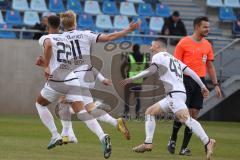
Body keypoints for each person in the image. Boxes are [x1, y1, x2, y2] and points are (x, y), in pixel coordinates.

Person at [121, 38, 216, 160]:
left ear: (158, 45)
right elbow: (192, 72)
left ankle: (207, 141)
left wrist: (133, 78)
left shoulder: (158, 56)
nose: (150, 48)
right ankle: (148, 143)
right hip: (179, 93)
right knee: (150, 112)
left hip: (174, 94)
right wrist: (203, 87)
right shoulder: (175, 59)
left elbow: (151, 70)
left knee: (185, 119)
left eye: (152, 45)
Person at [35, 15, 112, 159]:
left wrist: (46, 65)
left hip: (58, 80)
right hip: (72, 78)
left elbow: (49, 46)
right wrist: (46, 63)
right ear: (60, 25)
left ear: (47, 25)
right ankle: (103, 136)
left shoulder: (46, 38)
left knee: (40, 104)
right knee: (82, 112)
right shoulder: (66, 39)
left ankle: (55, 135)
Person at [57, 10, 141, 141]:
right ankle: (115, 122)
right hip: (87, 76)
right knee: (89, 108)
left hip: (73, 76)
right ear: (75, 22)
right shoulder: (85, 34)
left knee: (65, 104)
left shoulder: (59, 38)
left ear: (63, 25)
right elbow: (109, 37)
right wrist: (128, 30)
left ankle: (68, 135)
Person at [168, 16, 222, 156]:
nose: (208, 29)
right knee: (182, 115)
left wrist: (215, 84)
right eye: (205, 27)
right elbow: (175, 66)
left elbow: (210, 66)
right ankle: (173, 139)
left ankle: (183, 148)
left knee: (193, 116)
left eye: (208, 27)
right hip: (184, 81)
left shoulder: (207, 45)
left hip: (200, 82)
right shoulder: (183, 43)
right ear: (197, 27)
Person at [121, 44, 148, 119]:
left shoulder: (130, 56)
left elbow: (122, 68)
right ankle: (137, 115)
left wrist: (125, 77)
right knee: (137, 98)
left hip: (130, 81)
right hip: (139, 81)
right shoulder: (144, 57)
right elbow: (149, 70)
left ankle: (126, 114)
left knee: (127, 98)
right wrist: (144, 78)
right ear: (139, 49)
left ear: (133, 49)